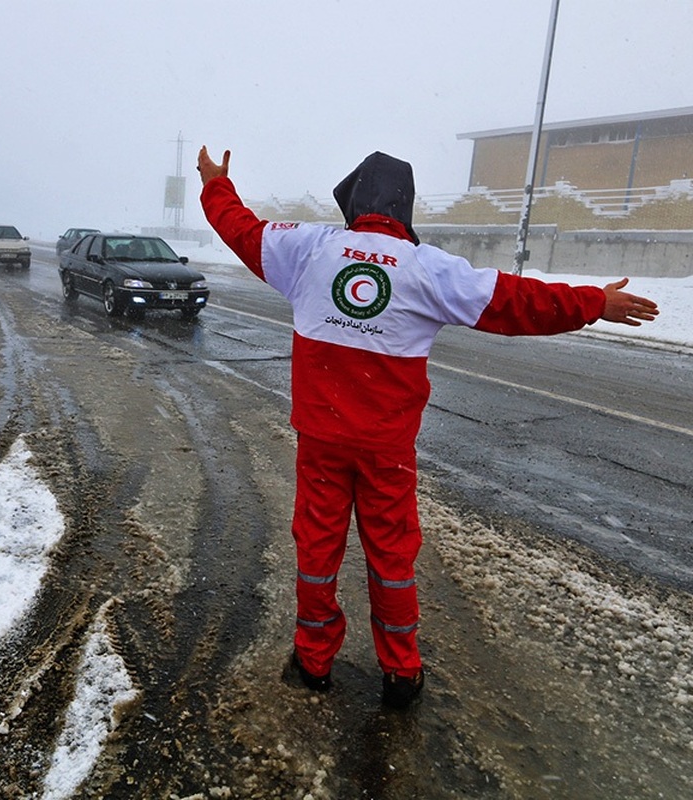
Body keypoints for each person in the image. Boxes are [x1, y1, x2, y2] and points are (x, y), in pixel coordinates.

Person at [196, 146, 658, 709]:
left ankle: (313, 661)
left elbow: (240, 228)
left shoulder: (308, 249)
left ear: (354, 200)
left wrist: (216, 184)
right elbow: (516, 301)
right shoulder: (428, 268)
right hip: (386, 450)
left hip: (321, 441)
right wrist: (594, 302)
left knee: (317, 550)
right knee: (391, 560)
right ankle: (401, 672)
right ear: (404, 208)